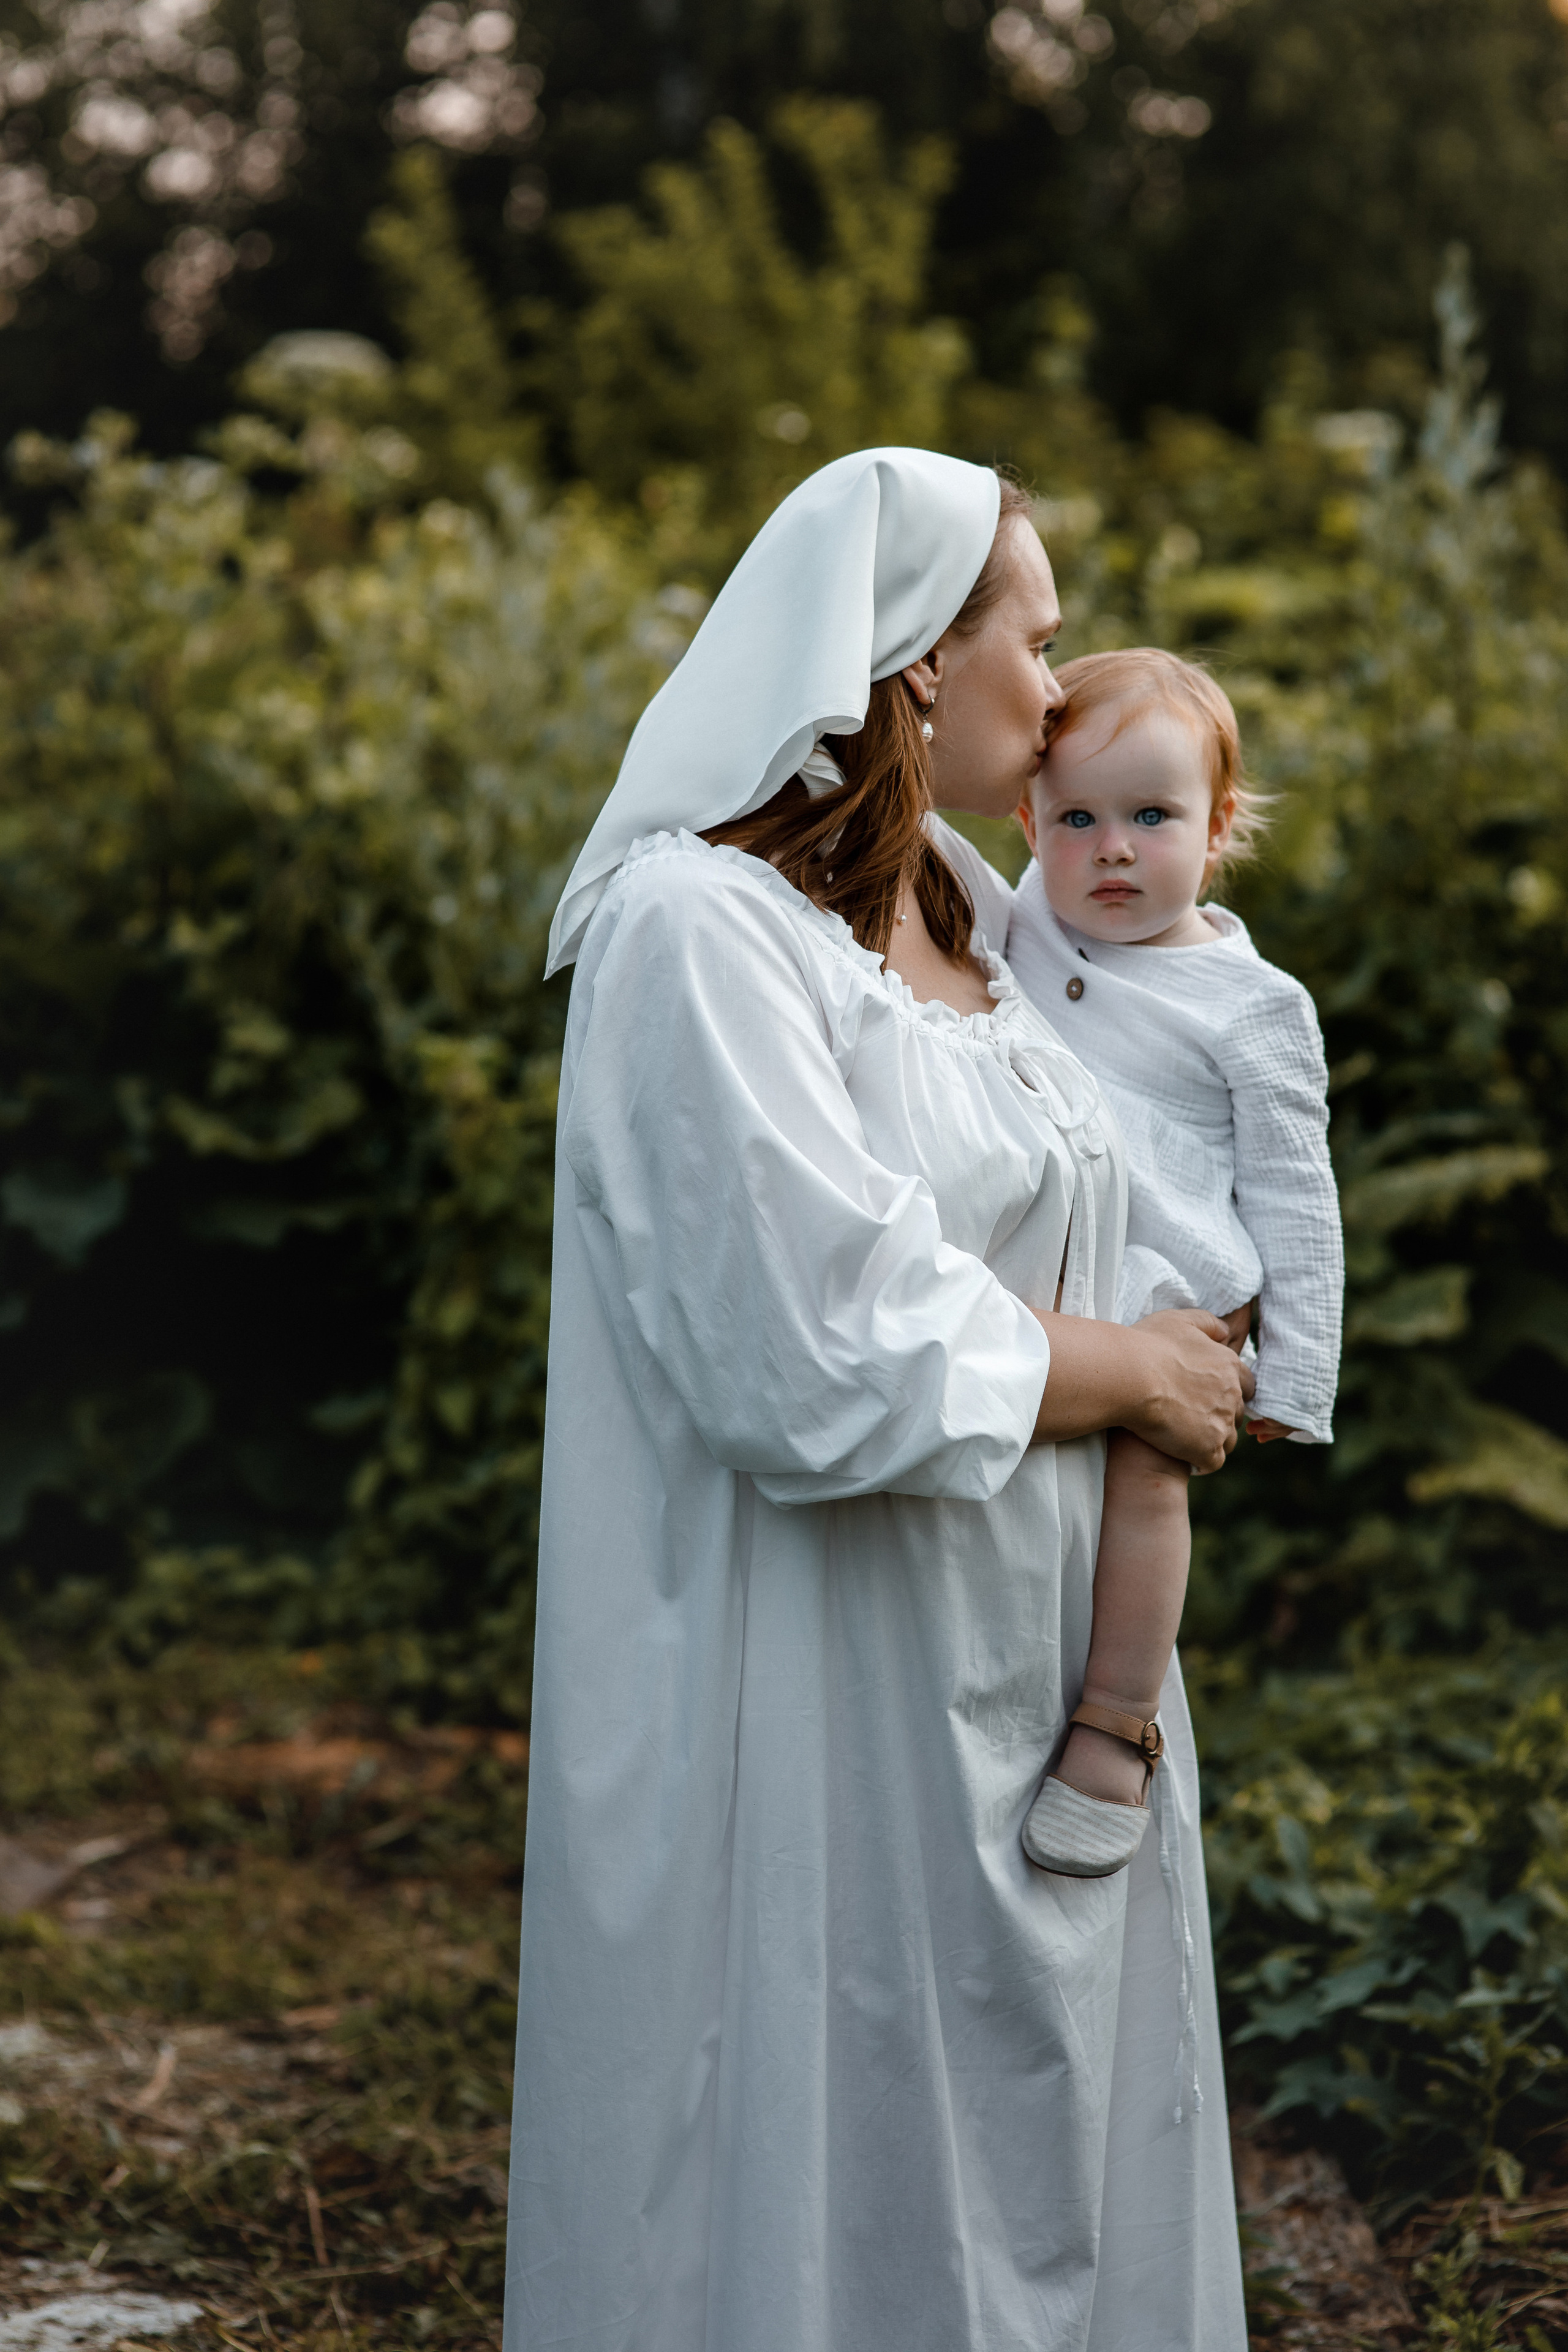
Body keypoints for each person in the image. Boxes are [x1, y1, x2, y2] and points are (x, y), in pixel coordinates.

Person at [505, 453, 1253, 2352]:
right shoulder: (700, 931)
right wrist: (1139, 1376)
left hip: (1041, 1648)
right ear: (921, 659)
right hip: (827, 1682)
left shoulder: (970, 898)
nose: (1068, 688)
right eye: (1043, 636)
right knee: (838, 2143)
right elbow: (813, 1339)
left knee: (1050, 2140)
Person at [1006, 649, 1343, 1879]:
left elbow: (1296, 1197)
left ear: (1216, 833)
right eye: (1076, 817)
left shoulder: (1252, 1005)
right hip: (1040, 1283)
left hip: (1171, 1292)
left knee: (1146, 1484)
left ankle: (1112, 1723)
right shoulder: (1019, 918)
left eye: (1150, 817)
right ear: (1028, 823)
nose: (1109, 849)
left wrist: (1293, 1378)